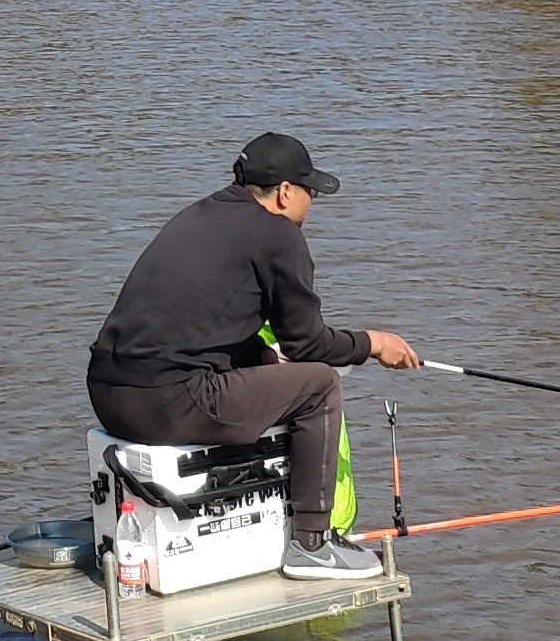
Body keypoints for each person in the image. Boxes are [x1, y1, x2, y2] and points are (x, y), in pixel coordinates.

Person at [85, 132, 420, 580]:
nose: (312, 204)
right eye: (311, 192)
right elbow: (307, 345)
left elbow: (205, 326)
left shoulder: (200, 215)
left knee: (266, 360)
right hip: (167, 404)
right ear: (285, 192)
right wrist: (374, 343)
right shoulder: (278, 235)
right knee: (319, 386)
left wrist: (264, 357)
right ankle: (312, 544)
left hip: (109, 397)